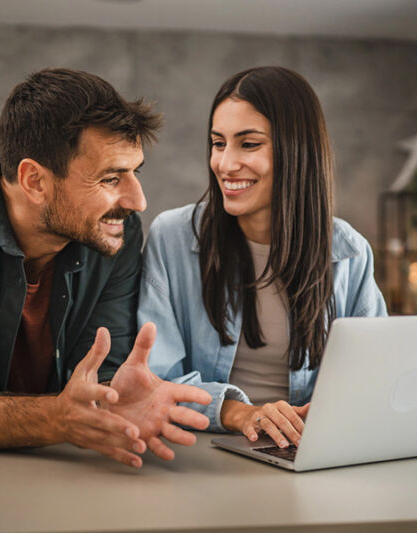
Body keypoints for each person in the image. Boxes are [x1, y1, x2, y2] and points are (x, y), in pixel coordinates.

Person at [0, 68, 211, 468]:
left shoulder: (116, 233)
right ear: (34, 180)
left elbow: (101, 371)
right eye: (111, 178)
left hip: (64, 472)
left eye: (135, 172)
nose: (138, 201)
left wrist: (112, 396)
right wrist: (58, 418)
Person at [138, 66, 387, 450]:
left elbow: (375, 377)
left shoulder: (350, 252)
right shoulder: (170, 238)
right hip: (202, 451)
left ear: (296, 150)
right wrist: (240, 413)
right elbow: (157, 379)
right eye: (218, 143)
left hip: (307, 451)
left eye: (248, 144)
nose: (225, 163)